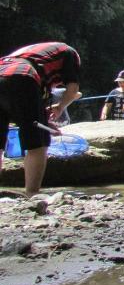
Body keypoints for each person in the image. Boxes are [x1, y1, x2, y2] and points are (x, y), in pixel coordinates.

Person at [0, 42, 81, 195]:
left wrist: (44, 122)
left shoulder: (36, 54)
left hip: (3, 68)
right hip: (23, 74)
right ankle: (32, 194)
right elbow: (73, 89)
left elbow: (25, 112)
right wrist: (60, 107)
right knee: (38, 142)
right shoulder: (70, 53)